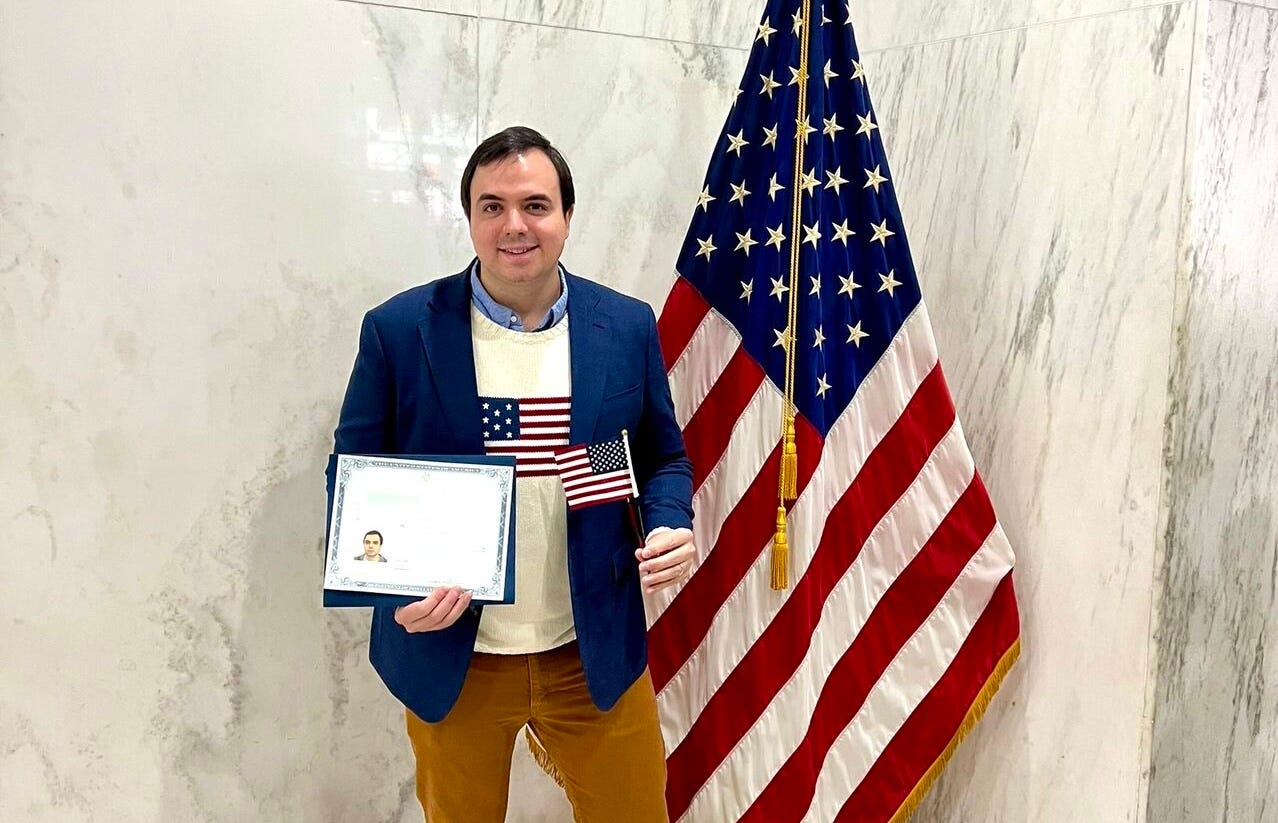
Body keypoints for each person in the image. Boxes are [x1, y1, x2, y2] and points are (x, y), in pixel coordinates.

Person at [331, 126, 695, 822]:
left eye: (535, 205)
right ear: (469, 217)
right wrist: (390, 589)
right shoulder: (399, 330)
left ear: (567, 215)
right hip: (453, 657)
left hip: (591, 651)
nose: (514, 225)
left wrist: (669, 519)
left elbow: (661, 457)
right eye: (492, 206)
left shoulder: (625, 325)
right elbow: (353, 477)